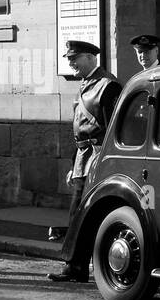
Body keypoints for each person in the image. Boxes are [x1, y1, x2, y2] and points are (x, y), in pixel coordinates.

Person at [48, 40, 122, 283]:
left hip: (97, 158)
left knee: (86, 213)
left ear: (91, 57)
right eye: (69, 59)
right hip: (83, 158)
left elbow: (113, 130)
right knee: (77, 213)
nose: (71, 63)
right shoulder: (87, 84)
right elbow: (79, 132)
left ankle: (78, 266)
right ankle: (75, 266)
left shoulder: (107, 86)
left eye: (75, 58)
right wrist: (74, 165)